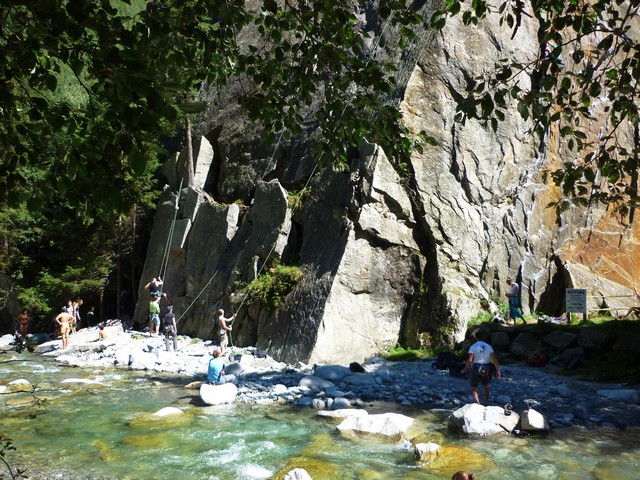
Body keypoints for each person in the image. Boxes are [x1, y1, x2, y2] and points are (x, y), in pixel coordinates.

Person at [461, 330, 502, 406]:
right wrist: (498, 370)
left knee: (474, 387)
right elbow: (494, 359)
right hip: (486, 366)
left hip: (476, 366)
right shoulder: (489, 347)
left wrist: (465, 369)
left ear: (476, 338)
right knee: (486, 385)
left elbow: (470, 360)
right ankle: (486, 402)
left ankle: (478, 403)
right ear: (483, 338)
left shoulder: (473, 347)